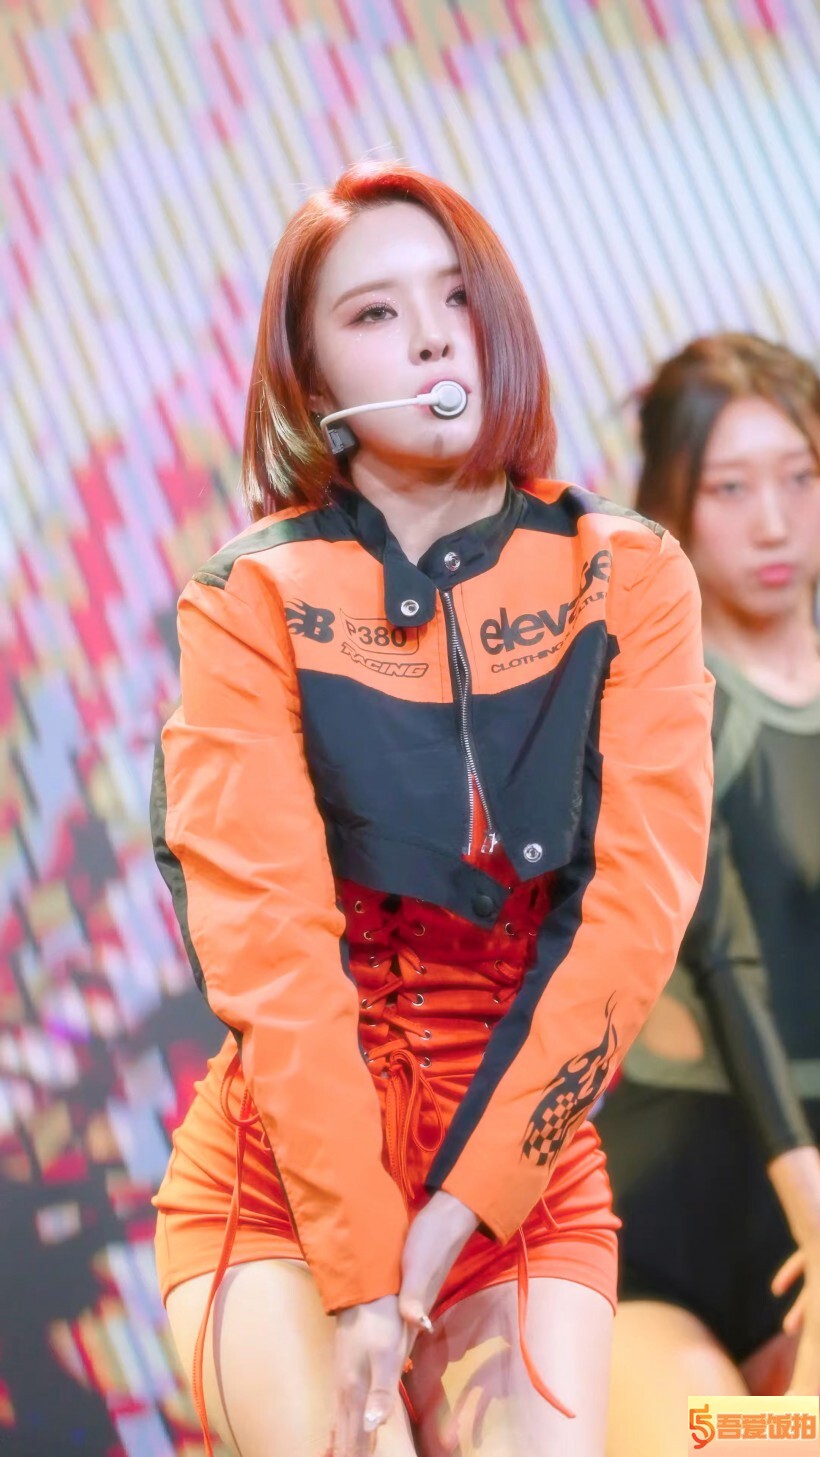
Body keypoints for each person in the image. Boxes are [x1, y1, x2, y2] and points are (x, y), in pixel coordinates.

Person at [149, 161, 713, 1457]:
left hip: (520, 1178)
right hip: (285, 1185)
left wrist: (457, 1213)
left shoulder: (627, 574)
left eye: (455, 295)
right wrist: (361, 1271)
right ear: (312, 383)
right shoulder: (248, 597)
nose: (430, 335)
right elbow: (269, 950)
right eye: (374, 312)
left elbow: (630, 921)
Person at [597, 333, 820, 1457]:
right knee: (728, 1442)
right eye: (731, 489)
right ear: (674, 502)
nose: (774, 522)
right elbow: (726, 966)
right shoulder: (656, 707)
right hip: (668, 1208)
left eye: (800, 476)